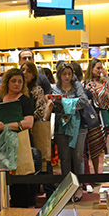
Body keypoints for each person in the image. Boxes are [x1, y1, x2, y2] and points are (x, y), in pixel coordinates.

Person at [0, 68, 35, 207]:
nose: (17, 84)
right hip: (1, 142)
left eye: (20, 81)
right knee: (4, 179)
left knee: (21, 179)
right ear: (7, 82)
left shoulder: (25, 100)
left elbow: (29, 122)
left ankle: (22, 211)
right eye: (13, 81)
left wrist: (6, 126)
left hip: (20, 142)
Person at [46, 62, 88, 201]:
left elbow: (84, 101)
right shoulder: (55, 88)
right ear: (59, 75)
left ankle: (79, 186)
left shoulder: (77, 86)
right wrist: (66, 104)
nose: (67, 77)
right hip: (62, 126)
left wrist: (64, 102)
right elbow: (55, 107)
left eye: (69, 74)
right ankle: (67, 186)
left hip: (79, 126)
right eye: (64, 74)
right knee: (64, 157)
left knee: (78, 156)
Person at [83, 58, 109, 174]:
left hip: (105, 116)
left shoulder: (105, 82)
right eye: (97, 68)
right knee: (94, 146)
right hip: (93, 117)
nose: (100, 70)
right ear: (91, 69)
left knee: (107, 144)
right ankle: (96, 173)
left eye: (101, 68)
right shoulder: (85, 84)